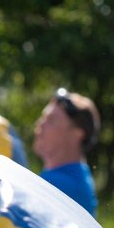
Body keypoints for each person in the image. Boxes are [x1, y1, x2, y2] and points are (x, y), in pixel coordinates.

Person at [33, 88, 100, 216]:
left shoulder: (58, 186)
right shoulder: (76, 181)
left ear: (77, 133)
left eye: (51, 120)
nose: (40, 125)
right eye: (43, 118)